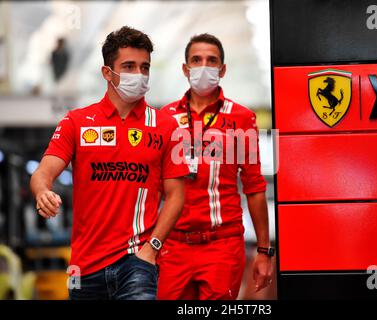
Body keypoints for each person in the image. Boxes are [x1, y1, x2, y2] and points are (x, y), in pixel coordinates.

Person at [30, 26, 188, 300]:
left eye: (144, 67)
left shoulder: (166, 126)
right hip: (84, 265)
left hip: (137, 262)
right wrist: (42, 191)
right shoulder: (76, 122)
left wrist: (152, 248)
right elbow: (43, 173)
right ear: (107, 72)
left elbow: (176, 196)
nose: (138, 75)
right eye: (129, 66)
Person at [157, 33, 274, 300]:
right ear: (185, 69)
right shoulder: (165, 118)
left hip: (222, 244)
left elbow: (255, 187)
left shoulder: (242, 118)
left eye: (212, 61)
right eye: (196, 60)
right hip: (173, 245)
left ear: (222, 69)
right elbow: (152, 185)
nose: (203, 67)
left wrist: (265, 251)